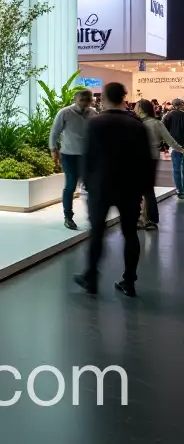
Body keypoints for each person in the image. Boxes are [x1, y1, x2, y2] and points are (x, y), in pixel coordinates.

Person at [74, 81, 152, 297]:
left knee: (97, 232)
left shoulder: (96, 123)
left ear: (105, 97)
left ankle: (91, 278)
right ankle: (129, 281)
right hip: (130, 188)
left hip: (101, 187)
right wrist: (145, 188)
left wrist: (86, 182)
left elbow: (87, 157)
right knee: (130, 233)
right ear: (123, 97)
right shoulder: (137, 124)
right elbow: (146, 160)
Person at [49, 87, 94, 230]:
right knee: (70, 186)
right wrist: (54, 150)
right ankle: (68, 217)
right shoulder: (65, 113)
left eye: (87, 100)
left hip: (87, 157)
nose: (85, 103)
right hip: (69, 156)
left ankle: (93, 216)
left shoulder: (93, 113)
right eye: (82, 100)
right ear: (75, 100)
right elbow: (54, 133)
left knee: (91, 187)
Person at [136, 99, 182, 230]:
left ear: (142, 108)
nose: (134, 109)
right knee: (146, 189)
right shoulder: (155, 123)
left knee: (143, 189)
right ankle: (147, 218)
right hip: (150, 157)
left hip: (141, 158)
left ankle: (147, 219)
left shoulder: (140, 123)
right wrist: (180, 149)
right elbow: (170, 140)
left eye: (136, 106)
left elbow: (170, 140)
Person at [163, 98, 184, 200]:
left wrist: (165, 147)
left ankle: (180, 191)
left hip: (174, 146)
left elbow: (164, 131)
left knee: (176, 169)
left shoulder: (168, 116)